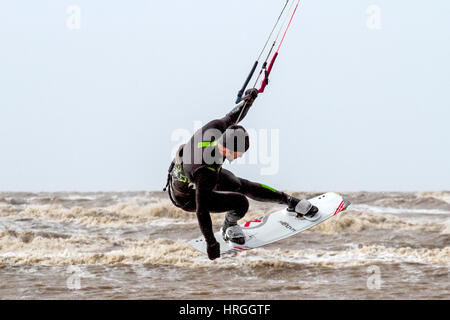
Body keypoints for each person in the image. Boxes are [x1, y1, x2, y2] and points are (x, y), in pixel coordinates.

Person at [164, 88, 318, 260]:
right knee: (240, 203)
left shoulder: (218, 128)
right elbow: (201, 210)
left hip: (195, 173)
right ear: (227, 148)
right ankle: (229, 227)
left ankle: (291, 202)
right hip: (186, 196)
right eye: (237, 153)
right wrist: (211, 242)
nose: (239, 157)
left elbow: (233, 115)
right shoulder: (205, 171)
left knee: (240, 184)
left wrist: (248, 101)